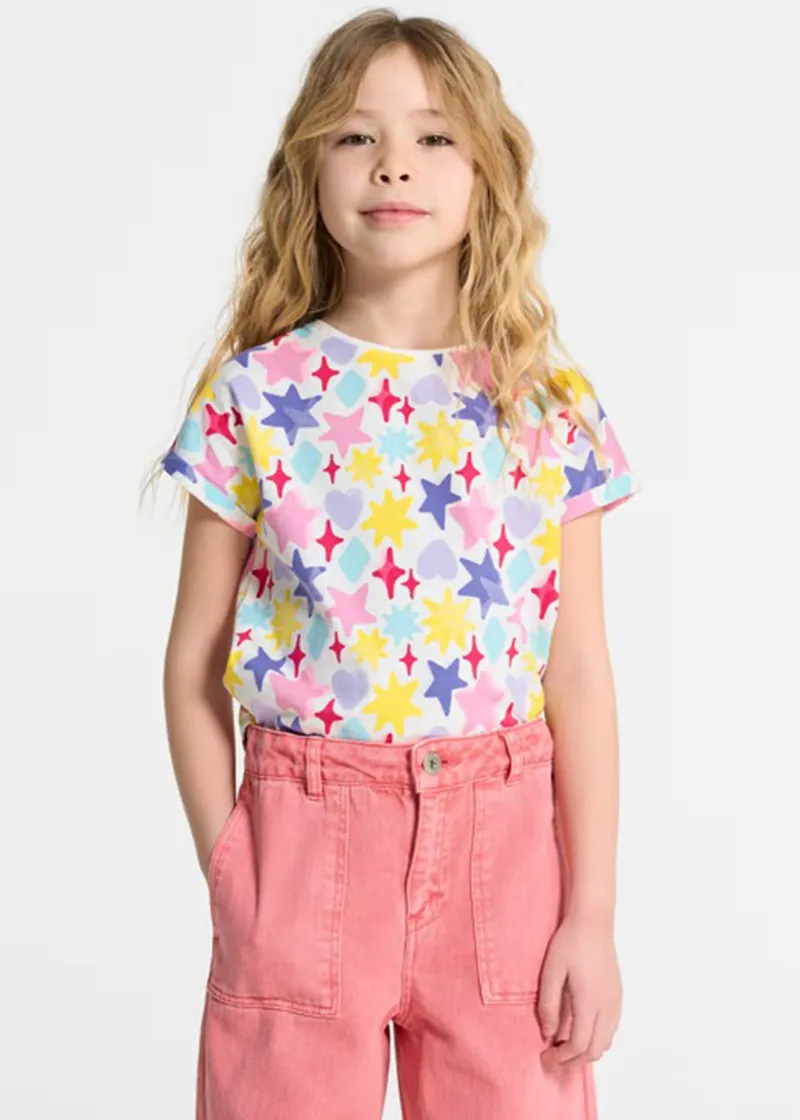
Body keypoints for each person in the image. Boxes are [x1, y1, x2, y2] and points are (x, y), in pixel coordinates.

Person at [144, 9, 641, 1118]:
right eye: (356, 135)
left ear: (487, 172)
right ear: (308, 167)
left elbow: (578, 670)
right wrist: (234, 869)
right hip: (304, 843)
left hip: (505, 864)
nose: (393, 165)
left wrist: (592, 913)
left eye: (433, 136)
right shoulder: (257, 394)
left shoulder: (546, 405)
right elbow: (191, 664)